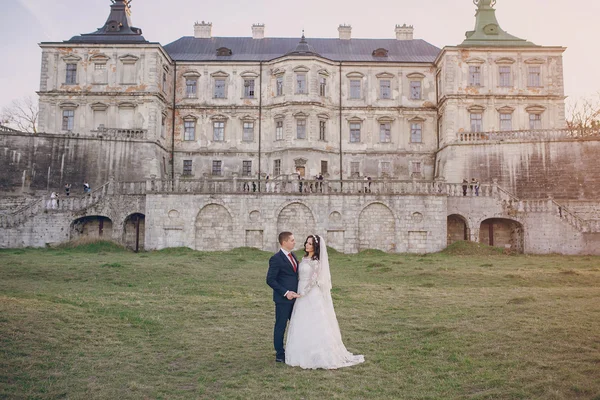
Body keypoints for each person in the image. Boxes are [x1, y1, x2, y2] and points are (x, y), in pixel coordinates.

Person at [285, 235, 365, 369]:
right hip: (300, 291)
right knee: (302, 320)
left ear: (315, 247)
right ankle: (302, 351)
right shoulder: (304, 259)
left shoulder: (316, 261)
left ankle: (319, 353)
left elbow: (314, 279)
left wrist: (303, 293)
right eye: (306, 243)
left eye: (310, 244)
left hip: (310, 293)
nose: (307, 245)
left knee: (315, 321)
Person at [266, 232, 300, 363]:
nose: (294, 242)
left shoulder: (293, 256)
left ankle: (295, 349)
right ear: (284, 242)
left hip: (296, 299)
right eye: (292, 240)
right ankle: (280, 354)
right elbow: (270, 280)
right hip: (283, 300)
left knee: (296, 325)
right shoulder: (276, 258)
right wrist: (286, 292)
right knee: (281, 326)